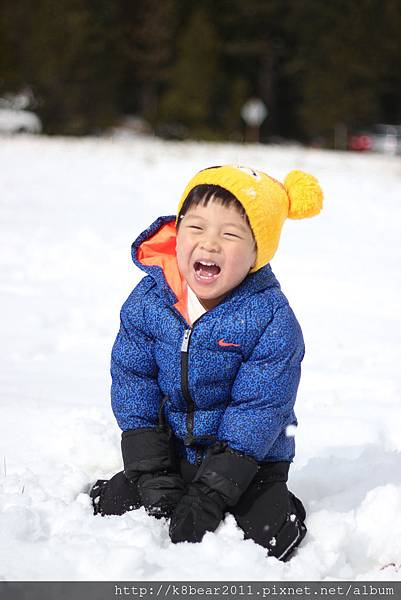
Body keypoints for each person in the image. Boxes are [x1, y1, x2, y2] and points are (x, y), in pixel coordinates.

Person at [90, 164, 323, 561]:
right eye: (196, 228)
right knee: (115, 506)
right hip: (173, 451)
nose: (210, 244)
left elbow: (261, 408)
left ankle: (286, 510)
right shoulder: (150, 302)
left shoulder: (269, 318)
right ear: (177, 234)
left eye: (230, 234)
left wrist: (214, 490)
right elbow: (133, 380)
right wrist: (152, 471)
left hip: (250, 461)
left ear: (256, 253)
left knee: (266, 537)